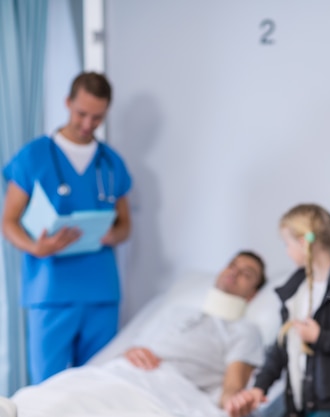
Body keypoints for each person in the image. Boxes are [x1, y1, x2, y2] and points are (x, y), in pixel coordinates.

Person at [10, 250, 268, 417]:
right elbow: (134, 346)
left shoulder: (244, 331)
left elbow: (232, 388)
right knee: (52, 394)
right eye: (232, 265)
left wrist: (234, 403)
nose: (234, 272)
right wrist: (131, 351)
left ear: (253, 293)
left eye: (247, 274)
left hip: (169, 386)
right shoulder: (175, 311)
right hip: (122, 372)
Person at [1, 72, 133, 383]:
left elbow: (125, 224)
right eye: (81, 114)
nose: (88, 124)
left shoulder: (111, 162)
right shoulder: (34, 156)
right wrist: (35, 247)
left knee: (97, 386)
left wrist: (113, 234)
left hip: (100, 291)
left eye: (97, 117)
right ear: (67, 103)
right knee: (47, 388)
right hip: (50, 290)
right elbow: (8, 221)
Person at [226, 203, 330, 417]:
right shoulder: (295, 290)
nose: (287, 250)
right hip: (299, 399)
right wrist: (259, 387)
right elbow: (282, 346)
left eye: (286, 244)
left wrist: (319, 337)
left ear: (302, 243)